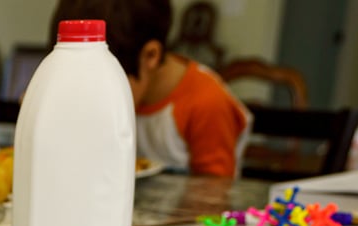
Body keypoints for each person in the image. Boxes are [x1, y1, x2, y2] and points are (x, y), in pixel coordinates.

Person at [50, 0, 251, 177]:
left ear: (150, 56)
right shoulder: (127, 91)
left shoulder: (206, 102)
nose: (90, 97)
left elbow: (215, 195)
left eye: (99, 83)